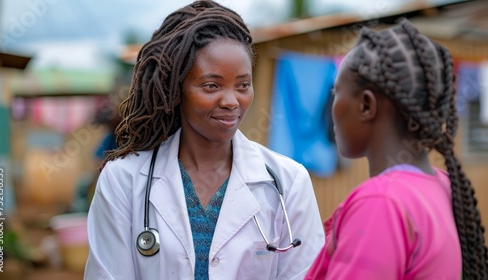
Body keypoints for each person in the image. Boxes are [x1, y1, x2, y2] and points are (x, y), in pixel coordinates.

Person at [84, 1, 325, 279]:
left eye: (243, 85)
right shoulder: (123, 180)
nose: (232, 101)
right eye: (211, 85)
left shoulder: (288, 182)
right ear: (175, 88)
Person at [305, 19, 488, 279]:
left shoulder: (380, 204)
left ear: (366, 106)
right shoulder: (443, 186)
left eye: (336, 92)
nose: (331, 106)